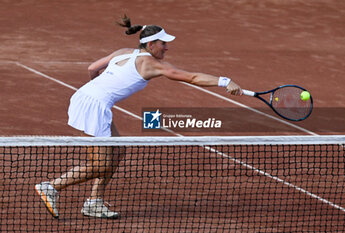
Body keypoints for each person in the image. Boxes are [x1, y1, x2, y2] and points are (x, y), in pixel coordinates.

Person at [34, 15, 243, 219]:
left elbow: (92, 68)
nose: (167, 48)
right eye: (163, 44)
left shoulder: (124, 52)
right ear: (151, 44)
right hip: (94, 106)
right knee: (101, 165)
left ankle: (94, 203)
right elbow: (192, 77)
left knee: (118, 151)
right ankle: (51, 186)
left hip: (87, 98)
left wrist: (96, 89)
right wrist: (225, 81)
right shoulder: (151, 64)